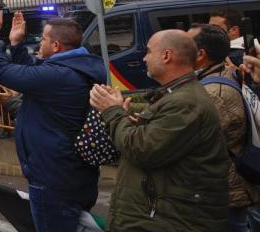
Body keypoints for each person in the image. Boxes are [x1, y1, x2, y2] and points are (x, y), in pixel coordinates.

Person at [0, 3, 106, 232]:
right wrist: (16, 44)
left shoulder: (58, 76)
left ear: (56, 46)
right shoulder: (76, 69)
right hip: (72, 174)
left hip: (53, 180)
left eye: (44, 40)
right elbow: (34, 75)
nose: (40, 43)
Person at [90, 29, 229, 231]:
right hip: (161, 216)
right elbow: (155, 141)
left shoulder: (186, 103)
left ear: (166, 56)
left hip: (168, 220)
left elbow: (142, 149)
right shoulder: (178, 96)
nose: (144, 58)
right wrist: (126, 117)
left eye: (148, 51)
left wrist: (112, 111)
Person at [190, 23, 260, 231]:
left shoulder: (214, 93)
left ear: (201, 53)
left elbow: (190, 144)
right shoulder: (213, 80)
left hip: (224, 189)